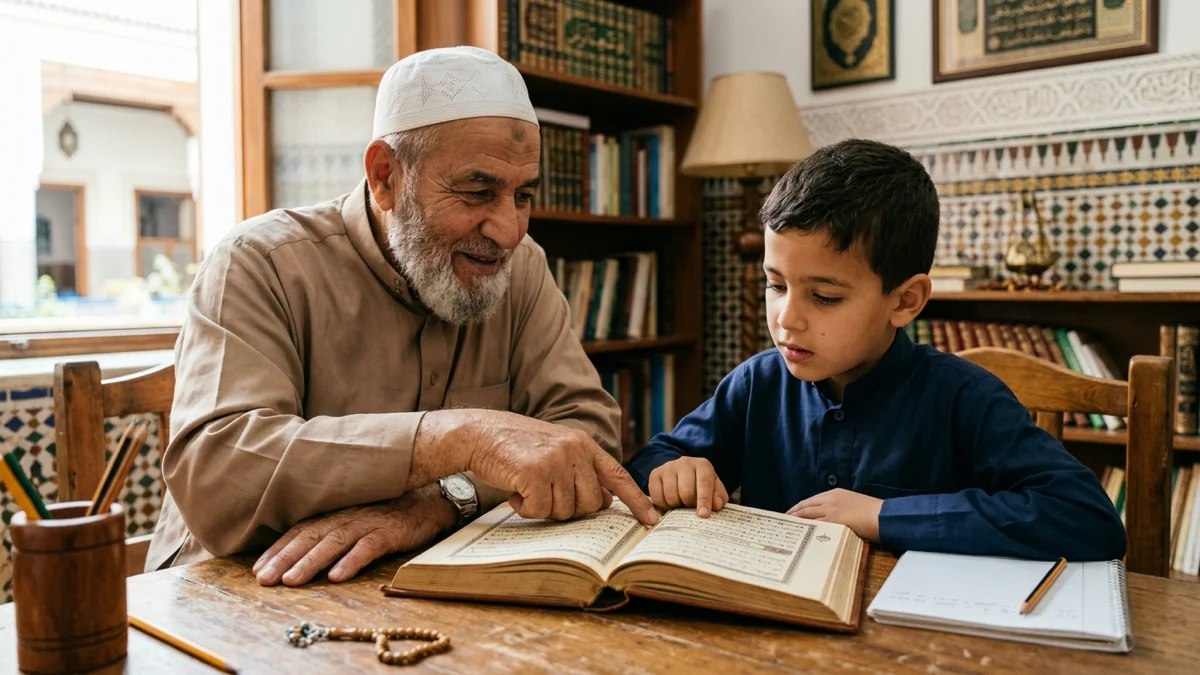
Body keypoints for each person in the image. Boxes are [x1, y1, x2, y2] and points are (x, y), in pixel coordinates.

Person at [146, 46, 658, 587]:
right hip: (234, 590)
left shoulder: (522, 266)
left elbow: (587, 438)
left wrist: (440, 501)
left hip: (419, 586)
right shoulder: (259, 262)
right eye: (477, 192)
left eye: (523, 195)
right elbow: (216, 473)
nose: (508, 231)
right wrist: (456, 439)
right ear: (385, 176)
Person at [624, 138, 1126, 561]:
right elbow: (652, 461)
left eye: (824, 297)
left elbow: (1087, 518)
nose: (786, 318)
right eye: (776, 285)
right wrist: (674, 470)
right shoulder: (758, 383)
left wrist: (882, 515)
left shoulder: (963, 397)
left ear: (905, 300)